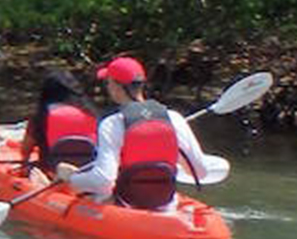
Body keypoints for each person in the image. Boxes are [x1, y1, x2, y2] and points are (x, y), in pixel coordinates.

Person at [56, 56, 210, 212]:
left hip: (125, 205)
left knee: (78, 184)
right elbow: (200, 172)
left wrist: (71, 178)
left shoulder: (112, 124)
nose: (107, 87)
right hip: (167, 205)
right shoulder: (174, 119)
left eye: (108, 82)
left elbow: (103, 181)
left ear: (116, 86)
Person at [19, 71, 99, 182]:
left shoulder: (41, 115)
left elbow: (25, 149)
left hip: (52, 175)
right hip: (89, 173)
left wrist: (24, 165)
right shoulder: (91, 112)